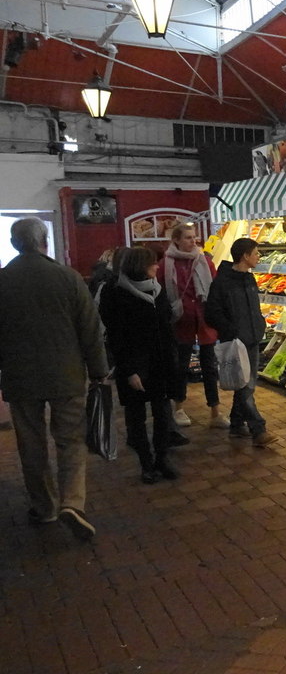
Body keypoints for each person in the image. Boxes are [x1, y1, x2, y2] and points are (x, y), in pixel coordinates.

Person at [0, 217, 107, 540]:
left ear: (15, 243)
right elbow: (90, 330)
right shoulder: (68, 278)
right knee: (71, 440)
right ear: (44, 240)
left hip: (20, 378)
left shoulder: (3, 281)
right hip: (67, 373)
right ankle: (73, 502)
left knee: (30, 443)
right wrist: (99, 371)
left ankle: (44, 506)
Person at [99, 247, 180, 483]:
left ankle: (162, 459)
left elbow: (165, 326)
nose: (157, 267)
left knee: (163, 413)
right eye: (153, 263)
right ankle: (146, 463)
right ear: (139, 265)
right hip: (135, 364)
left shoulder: (157, 289)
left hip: (161, 361)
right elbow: (116, 335)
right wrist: (129, 369)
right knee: (136, 416)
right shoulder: (115, 293)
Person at [204, 238, 281, 448]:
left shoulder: (249, 279)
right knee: (246, 386)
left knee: (245, 385)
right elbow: (211, 313)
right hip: (236, 342)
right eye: (256, 253)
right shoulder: (222, 282)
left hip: (253, 338)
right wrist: (231, 331)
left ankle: (237, 424)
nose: (258, 256)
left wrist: (260, 324)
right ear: (245, 256)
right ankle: (259, 430)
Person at [157, 223, 226, 429]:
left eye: (194, 237)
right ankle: (178, 407)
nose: (193, 241)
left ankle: (215, 410)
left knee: (210, 367)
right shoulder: (165, 265)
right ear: (176, 240)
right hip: (180, 322)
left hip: (205, 321)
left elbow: (214, 290)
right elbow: (160, 293)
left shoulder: (205, 261)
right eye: (187, 237)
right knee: (180, 366)